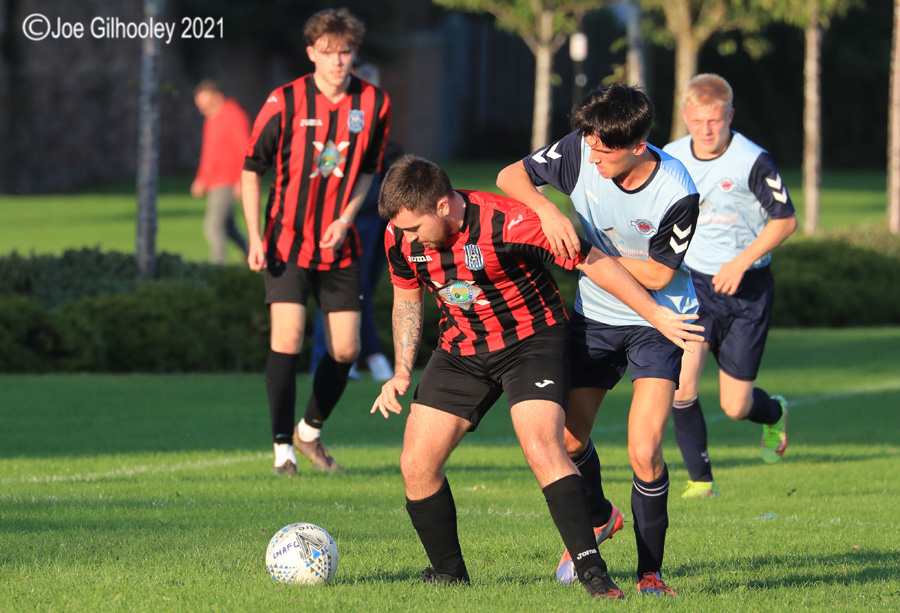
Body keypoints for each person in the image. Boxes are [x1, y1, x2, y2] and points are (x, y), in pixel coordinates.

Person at [371, 155, 702, 599]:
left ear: (442, 206)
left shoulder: (509, 222)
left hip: (533, 342)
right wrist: (399, 371)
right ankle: (449, 574)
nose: (406, 236)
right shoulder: (399, 236)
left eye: (413, 227)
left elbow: (595, 263)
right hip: (461, 349)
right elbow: (407, 300)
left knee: (544, 446)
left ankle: (594, 576)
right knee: (416, 464)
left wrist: (657, 316)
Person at [497, 83, 700, 597]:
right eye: (588, 142)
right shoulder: (581, 148)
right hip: (596, 317)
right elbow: (509, 176)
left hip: (660, 322)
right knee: (567, 440)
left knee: (645, 450)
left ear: (638, 146)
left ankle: (650, 574)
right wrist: (548, 211)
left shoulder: (678, 192)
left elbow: (656, 275)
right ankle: (600, 516)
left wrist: (582, 250)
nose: (591, 155)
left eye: (603, 150)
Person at [241, 8, 391, 475]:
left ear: (354, 53)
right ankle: (283, 449)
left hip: (337, 243)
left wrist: (346, 218)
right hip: (285, 240)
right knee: (287, 338)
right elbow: (251, 169)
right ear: (311, 54)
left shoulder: (374, 104)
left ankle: (310, 431)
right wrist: (254, 236)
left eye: (345, 52)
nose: (337, 61)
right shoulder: (283, 101)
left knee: (345, 349)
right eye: (328, 53)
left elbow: (368, 170)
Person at [662, 74, 797, 498]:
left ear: (730, 116)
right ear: (685, 115)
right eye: (698, 120)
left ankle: (774, 411)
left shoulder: (752, 160)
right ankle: (701, 482)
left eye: (715, 120)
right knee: (681, 387)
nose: (706, 129)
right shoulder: (669, 156)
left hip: (748, 289)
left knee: (734, 406)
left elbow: (786, 220)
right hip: (695, 286)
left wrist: (741, 262)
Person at [308, 64, 397, 383]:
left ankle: (361, 356)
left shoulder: (376, 121)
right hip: (347, 217)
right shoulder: (344, 123)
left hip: (375, 214)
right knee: (340, 288)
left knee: (363, 289)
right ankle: (327, 359)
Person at [191, 79, 250, 264]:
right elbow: (208, 154)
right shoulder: (211, 120)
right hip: (214, 180)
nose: (203, 108)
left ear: (218, 97)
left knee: (213, 227)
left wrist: (242, 182)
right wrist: (201, 178)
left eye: (206, 103)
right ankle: (253, 257)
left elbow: (244, 150)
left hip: (227, 180)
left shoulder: (234, 115)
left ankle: (218, 267)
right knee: (229, 227)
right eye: (200, 105)